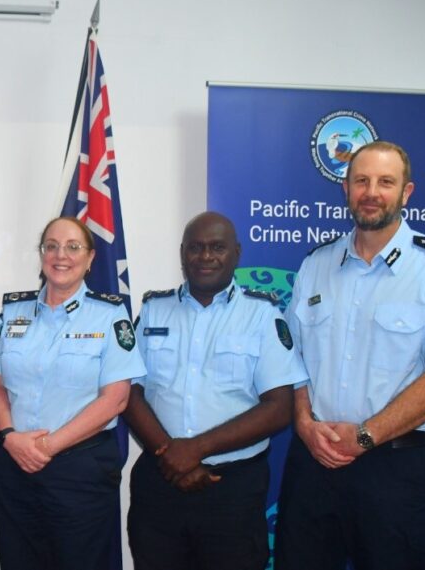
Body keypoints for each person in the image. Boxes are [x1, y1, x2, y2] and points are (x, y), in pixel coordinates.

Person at [274, 141, 425, 570]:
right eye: (361, 181)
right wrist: (304, 423)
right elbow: (293, 359)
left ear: (406, 192)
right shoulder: (316, 264)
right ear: (345, 189)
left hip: (396, 470)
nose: (371, 192)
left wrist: (365, 436)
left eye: (385, 182)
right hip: (314, 461)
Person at [124, 211, 303, 570]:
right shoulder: (154, 310)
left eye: (217, 248)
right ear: (182, 253)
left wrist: (195, 449)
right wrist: (170, 455)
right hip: (160, 482)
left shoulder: (262, 314)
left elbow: (279, 406)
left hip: (232, 489)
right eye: (196, 247)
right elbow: (128, 392)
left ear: (237, 253)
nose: (206, 256)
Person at [0, 216, 145, 570]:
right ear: (41, 254)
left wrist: (47, 447)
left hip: (79, 469)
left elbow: (116, 399)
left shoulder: (109, 315)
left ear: (90, 258)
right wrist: (9, 436)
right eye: (52, 246)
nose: (61, 255)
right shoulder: (12, 312)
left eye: (73, 247)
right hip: (14, 463)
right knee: (18, 560)